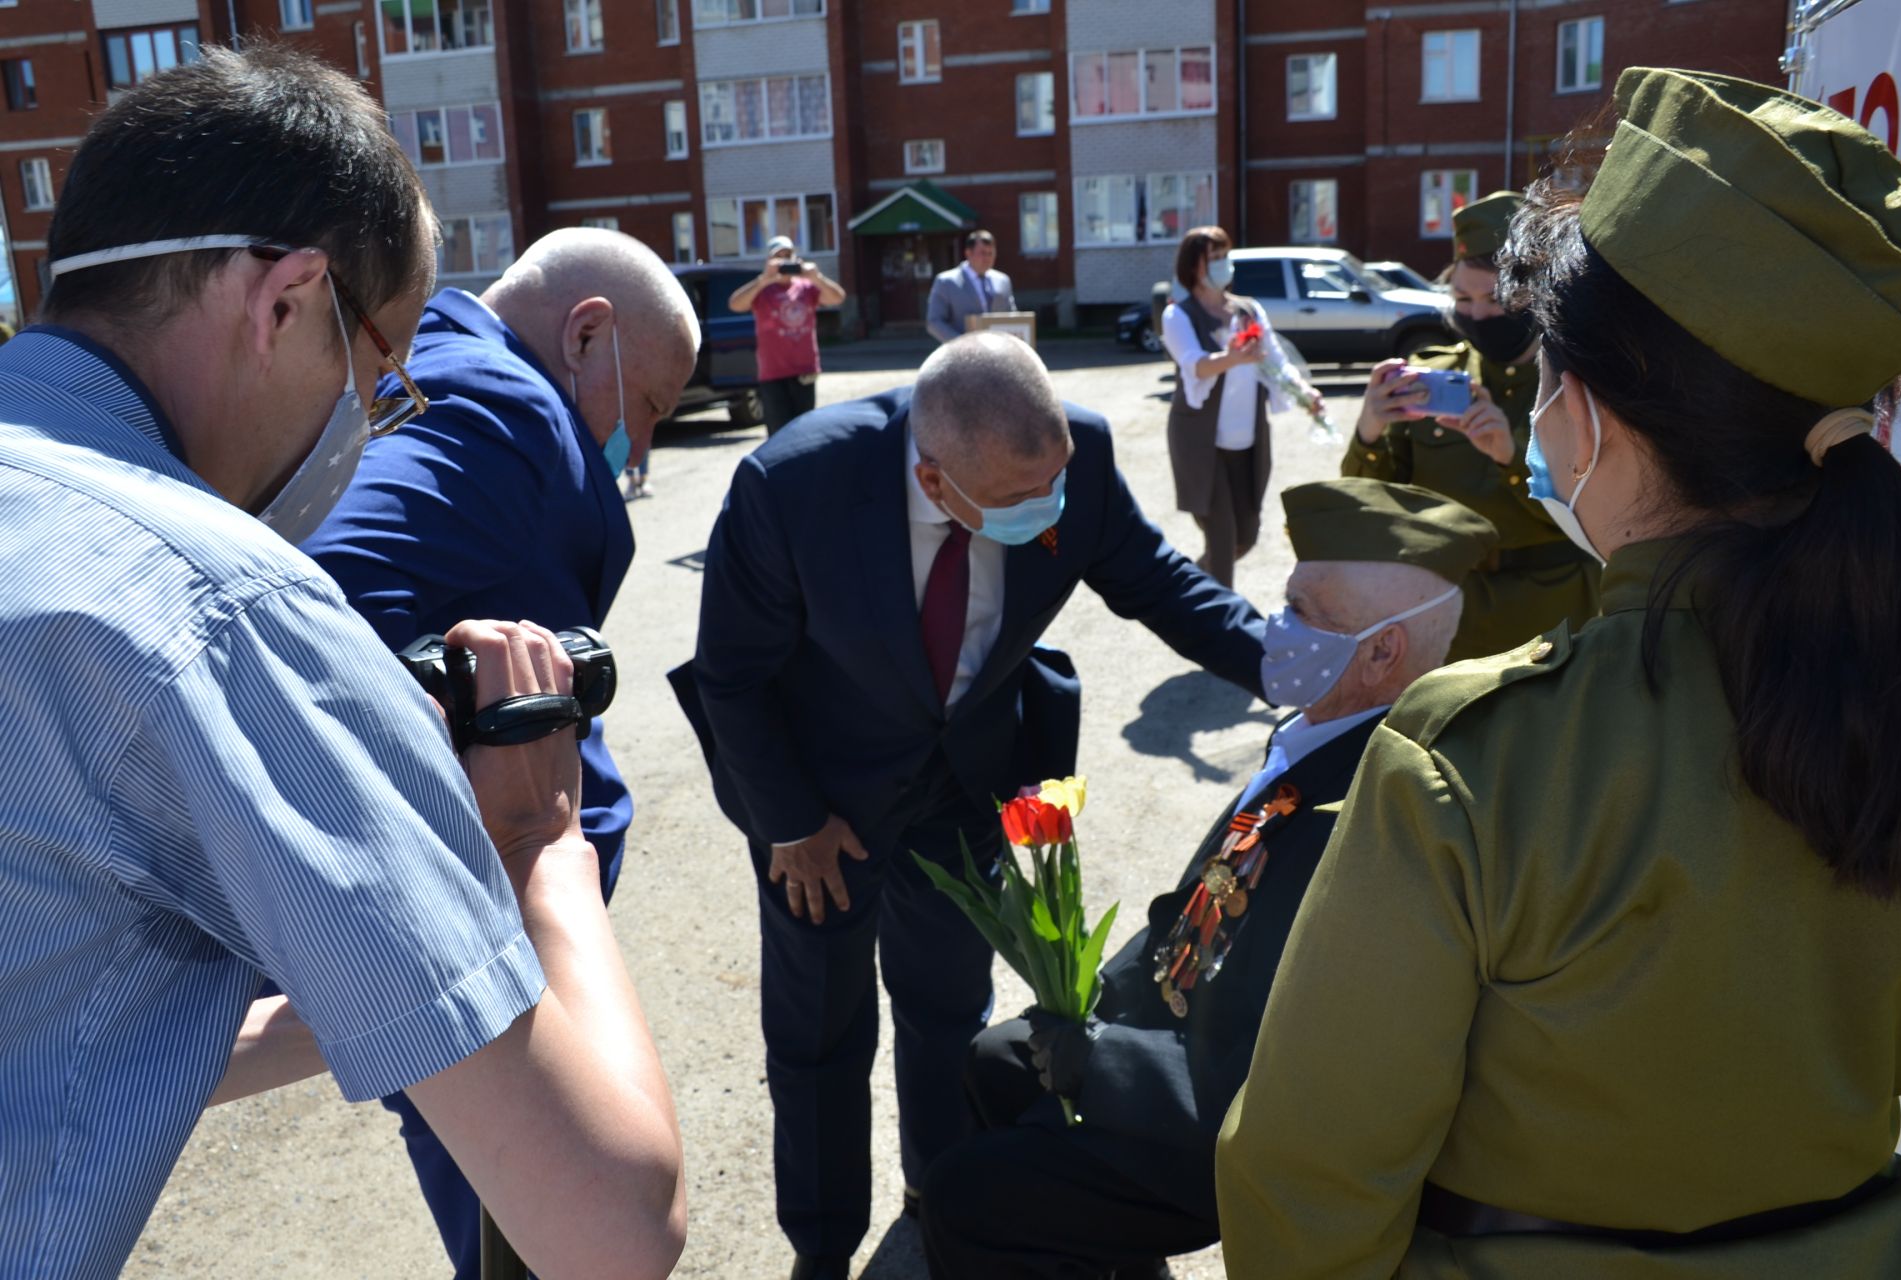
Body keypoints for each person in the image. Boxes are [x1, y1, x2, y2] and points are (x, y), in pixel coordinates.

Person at [1219, 67, 1901, 1278]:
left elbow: (1309, 1186)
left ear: (1596, 410)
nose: (1536, 415)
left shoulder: (1475, 757)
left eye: (1544, 374)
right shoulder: (1891, 686)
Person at [0, 47, 683, 1278]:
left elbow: (62, 1018)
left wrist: (391, 972)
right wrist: (537, 844)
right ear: (287, 301)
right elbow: (615, 1232)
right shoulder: (219, 602)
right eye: (381, 368)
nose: (379, 414)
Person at [674, 332, 1271, 1280]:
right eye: (1016, 504)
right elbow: (731, 677)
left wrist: (1290, 663)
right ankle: (822, 1245)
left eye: (1057, 488)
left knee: (948, 1008)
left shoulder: (1066, 458)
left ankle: (944, 1193)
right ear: (934, 476)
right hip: (821, 808)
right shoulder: (794, 487)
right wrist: (790, 821)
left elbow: (1159, 583)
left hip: (961, 785)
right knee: (822, 1032)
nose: (1047, 518)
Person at [918, 480, 1495, 1280]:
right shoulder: (1318, 736)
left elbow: (1276, 1056)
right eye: (1285, 602)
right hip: (1181, 1054)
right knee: (994, 1059)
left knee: (963, 1198)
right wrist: (1092, 1004)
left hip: (1235, 1126)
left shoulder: (1369, 807)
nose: (1278, 628)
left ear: (1382, 652)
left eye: (1308, 614)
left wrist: (1103, 1058)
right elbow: (1195, 909)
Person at [302, 227, 699, 1280]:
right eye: (651, 406)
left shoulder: (426, 359)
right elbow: (320, 608)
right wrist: (494, 815)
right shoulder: (507, 408)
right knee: (554, 1229)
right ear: (586, 334)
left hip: (477, 937)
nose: (642, 448)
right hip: (485, 943)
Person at [1342, 189, 1601, 660]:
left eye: (1495, 297)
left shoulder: (1581, 384)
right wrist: (1370, 432)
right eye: (1462, 297)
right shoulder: (1433, 376)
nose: (1477, 314)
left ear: (1536, 291)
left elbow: (1601, 522)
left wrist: (1513, 455)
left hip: (1552, 623)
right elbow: (1371, 513)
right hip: (1446, 615)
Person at [1160, 225, 1318, 590]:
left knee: (1245, 534)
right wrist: (1232, 358)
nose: (1221, 264)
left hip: (1246, 438)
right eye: (1212, 258)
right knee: (1221, 533)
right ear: (1192, 267)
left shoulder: (1249, 310)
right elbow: (1194, 364)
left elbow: (1276, 362)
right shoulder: (1178, 315)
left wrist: (1306, 394)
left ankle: (1186, 584)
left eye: (1223, 256)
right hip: (1201, 442)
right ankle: (1223, 629)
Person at [728, 234, 846, 435]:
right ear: (769, 261)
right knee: (778, 433)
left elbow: (837, 298)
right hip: (773, 374)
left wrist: (817, 277)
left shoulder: (807, 287)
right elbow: (735, 304)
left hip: (804, 371)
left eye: (787, 255)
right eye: (778, 257)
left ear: (795, 258)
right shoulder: (763, 290)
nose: (784, 261)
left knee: (805, 431)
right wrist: (764, 279)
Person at [926, 230, 1016, 343]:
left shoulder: (1003, 281)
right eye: (982, 253)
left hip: (998, 352)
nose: (987, 258)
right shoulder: (946, 282)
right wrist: (961, 344)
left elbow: (1012, 317)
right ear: (968, 253)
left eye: (991, 253)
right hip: (962, 356)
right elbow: (934, 322)